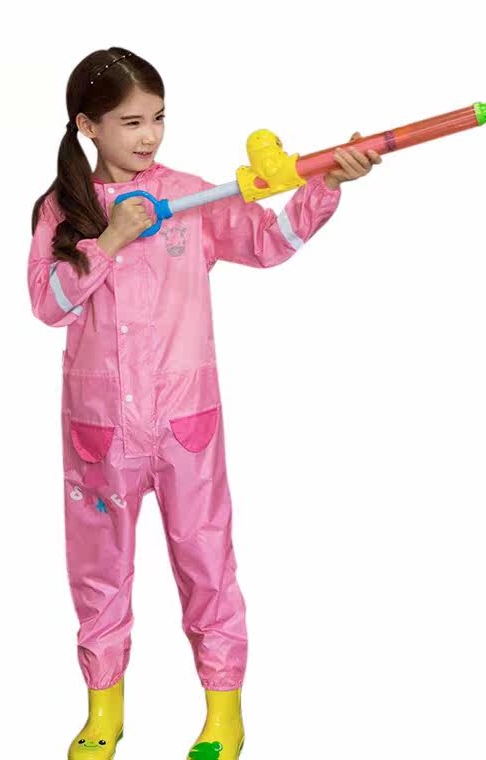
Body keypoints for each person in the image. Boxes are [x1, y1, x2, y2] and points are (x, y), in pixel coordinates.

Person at [27, 47, 381, 760]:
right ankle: (104, 709)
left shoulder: (191, 197)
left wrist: (324, 186)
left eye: (158, 118)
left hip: (185, 423)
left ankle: (224, 711)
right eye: (131, 122)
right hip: (99, 430)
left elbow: (270, 242)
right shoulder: (62, 208)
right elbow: (48, 304)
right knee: (98, 570)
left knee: (206, 562)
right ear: (88, 126)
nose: (149, 135)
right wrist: (110, 240)